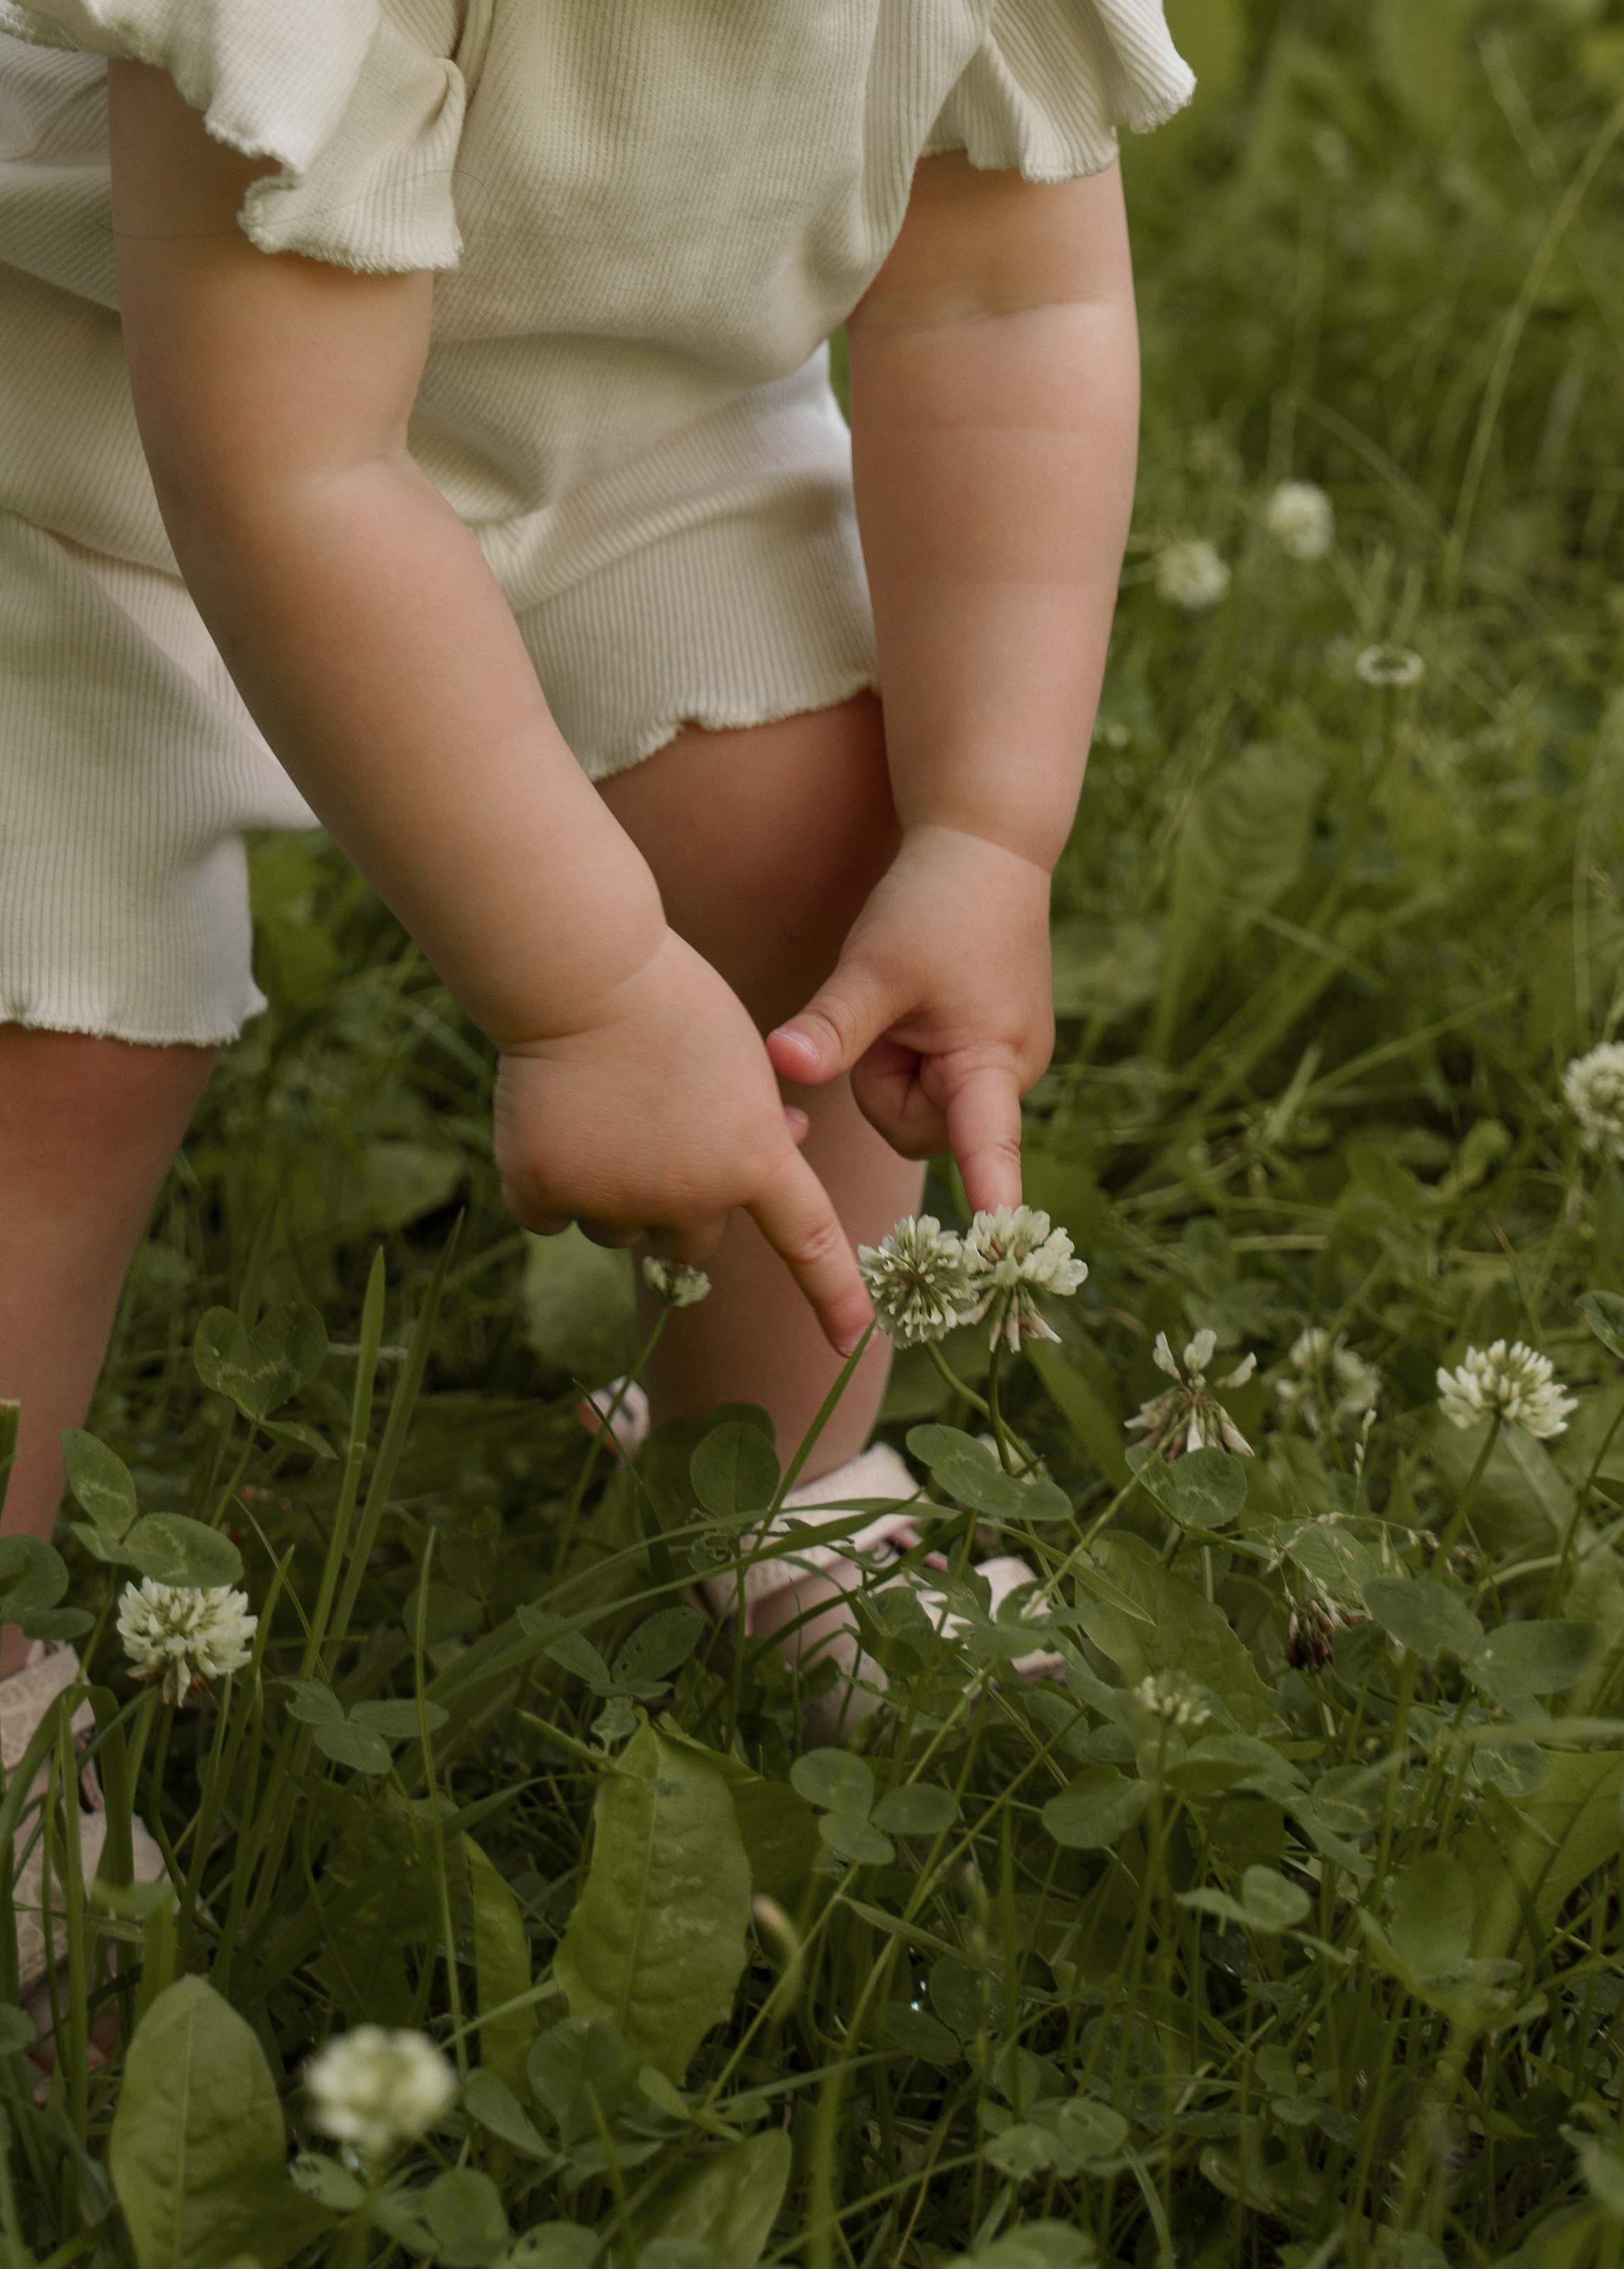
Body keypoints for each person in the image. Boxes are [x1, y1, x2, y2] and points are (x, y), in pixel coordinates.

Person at [0, 0, 1192, 1988]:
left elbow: (1004, 299)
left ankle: (775, 1484)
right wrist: (592, 988)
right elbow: (289, 472)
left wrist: (985, 834)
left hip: (609, 409)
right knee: (48, 1054)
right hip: (86, 422)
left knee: (818, 854)